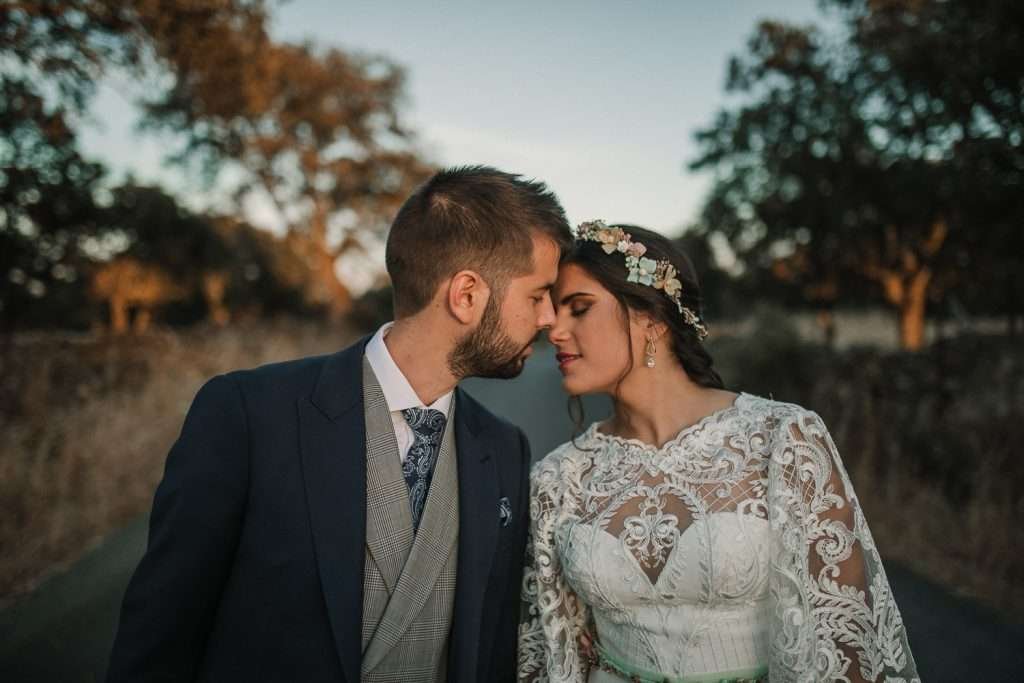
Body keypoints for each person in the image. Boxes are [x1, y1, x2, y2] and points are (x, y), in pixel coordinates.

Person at [106, 165, 572, 683]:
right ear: (466, 295)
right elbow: (159, 637)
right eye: (537, 295)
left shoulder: (505, 449)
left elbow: (489, 652)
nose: (551, 317)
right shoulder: (248, 415)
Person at [518, 221, 918, 683]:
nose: (555, 330)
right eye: (552, 310)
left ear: (651, 318)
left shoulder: (782, 439)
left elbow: (846, 637)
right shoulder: (557, 477)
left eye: (579, 309)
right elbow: (551, 647)